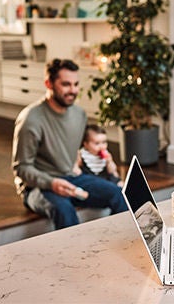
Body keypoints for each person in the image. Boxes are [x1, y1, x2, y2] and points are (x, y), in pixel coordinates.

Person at [12, 58, 128, 229]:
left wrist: (110, 173)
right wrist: (52, 183)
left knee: (120, 195)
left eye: (76, 84)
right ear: (48, 83)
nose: (73, 90)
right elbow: (21, 168)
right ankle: (77, 256)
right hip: (38, 187)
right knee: (65, 210)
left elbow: (74, 150)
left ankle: (113, 246)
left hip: (72, 178)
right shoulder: (31, 119)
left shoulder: (79, 114)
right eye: (66, 84)